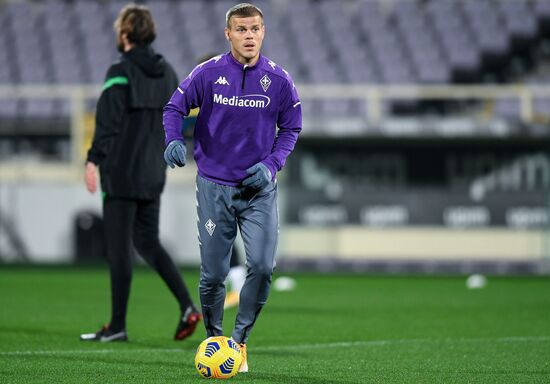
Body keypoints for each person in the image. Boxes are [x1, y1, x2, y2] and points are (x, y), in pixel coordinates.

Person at [163, 2, 302, 372]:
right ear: (228, 34)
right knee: (212, 276)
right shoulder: (207, 74)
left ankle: (238, 343)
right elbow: (173, 108)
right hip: (214, 189)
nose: (249, 35)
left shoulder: (280, 80)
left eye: (255, 28)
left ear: (264, 32)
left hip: (258, 191)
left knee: (261, 265)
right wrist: (173, 140)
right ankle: (214, 338)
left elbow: (291, 128)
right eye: (241, 29)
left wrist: (272, 165)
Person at [80, 3, 201, 343]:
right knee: (147, 241)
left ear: (124, 33)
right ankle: (187, 306)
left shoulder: (119, 70)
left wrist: (93, 159)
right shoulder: (169, 73)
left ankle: (117, 326)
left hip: (120, 173)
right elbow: (180, 119)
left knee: (119, 249)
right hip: (153, 173)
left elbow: (108, 122)